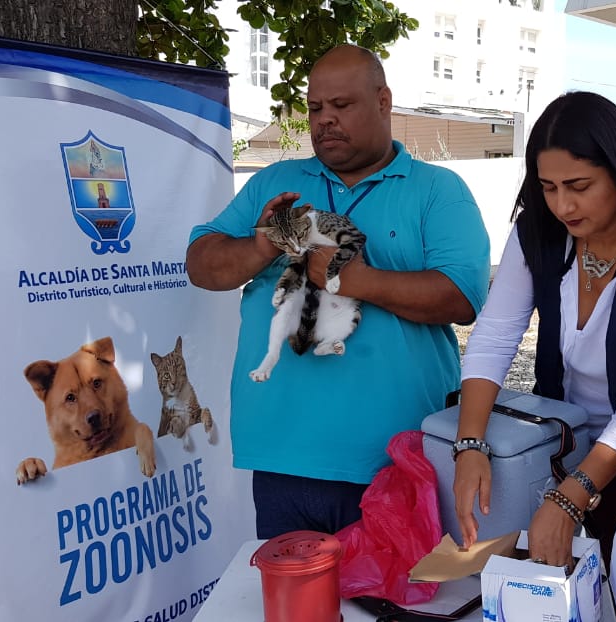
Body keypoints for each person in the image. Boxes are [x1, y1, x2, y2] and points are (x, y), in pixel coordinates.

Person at [186, 45, 491, 539]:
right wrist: (263, 244)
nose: (324, 119)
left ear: (383, 101)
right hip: (283, 455)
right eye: (314, 108)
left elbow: (461, 297)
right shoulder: (275, 182)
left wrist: (354, 280)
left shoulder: (437, 190)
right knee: (296, 610)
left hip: (397, 460)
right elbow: (201, 265)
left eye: (341, 106)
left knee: (392, 611)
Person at [452, 91, 616, 565]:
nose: (563, 205)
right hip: (558, 443)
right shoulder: (538, 233)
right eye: (547, 187)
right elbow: (495, 335)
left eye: (579, 185)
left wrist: (572, 496)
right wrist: (469, 444)